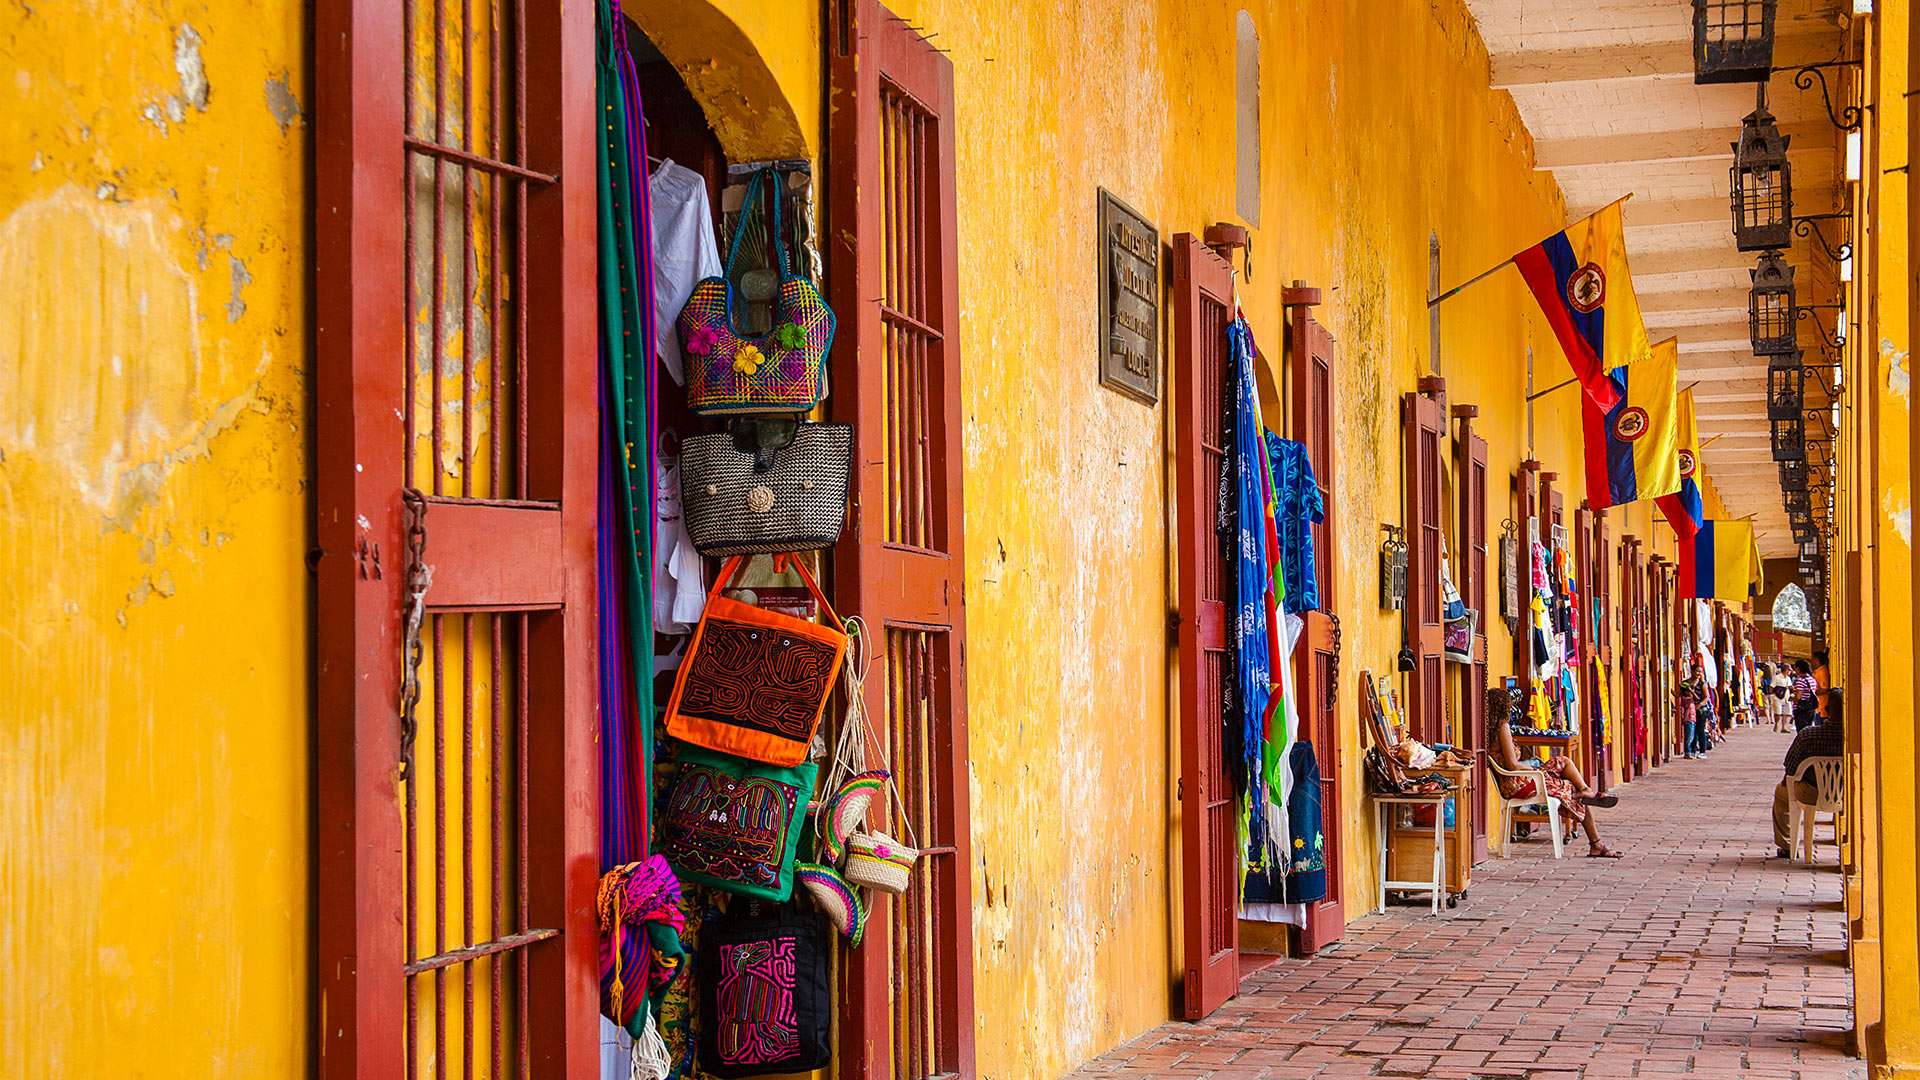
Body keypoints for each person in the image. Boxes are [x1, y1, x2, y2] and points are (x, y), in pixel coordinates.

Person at [1486, 692, 1624, 858]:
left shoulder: (1488, 730)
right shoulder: (1503, 728)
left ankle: (1587, 791)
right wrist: (1534, 770)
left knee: (1562, 762)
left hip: (1514, 782)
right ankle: (1596, 842)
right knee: (1575, 791)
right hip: (1519, 784)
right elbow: (1512, 765)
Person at [1773, 687, 1845, 858]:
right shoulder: (1856, 739)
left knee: (1782, 793)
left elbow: (1790, 768)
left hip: (1810, 793)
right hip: (1847, 794)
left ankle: (1787, 845)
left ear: (1826, 711)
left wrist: (1786, 781)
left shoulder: (1808, 735)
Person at [1767, 662, 1794, 732]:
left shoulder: (1788, 678)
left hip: (1786, 697)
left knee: (1786, 713)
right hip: (1778, 698)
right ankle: (1776, 724)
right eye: (1789, 670)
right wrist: (1776, 692)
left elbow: (1790, 686)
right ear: (1786, 670)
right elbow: (1771, 687)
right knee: (1778, 713)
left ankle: (1784, 727)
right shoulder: (1777, 677)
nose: (1790, 672)